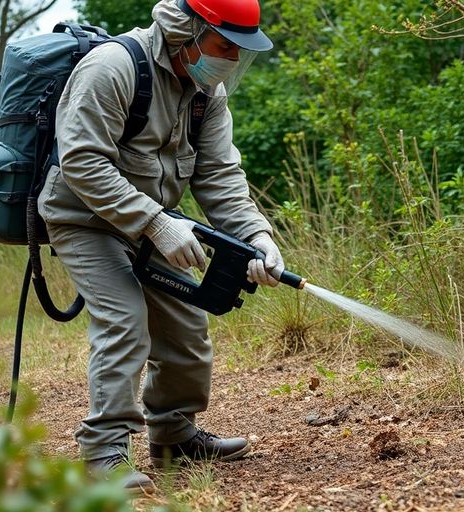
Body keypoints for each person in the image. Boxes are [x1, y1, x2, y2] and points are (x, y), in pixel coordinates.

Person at [37, 0, 282, 492]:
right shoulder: (112, 68)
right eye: (224, 45)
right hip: (84, 220)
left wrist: (257, 236)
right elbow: (82, 161)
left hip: (154, 224)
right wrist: (155, 223)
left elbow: (220, 175)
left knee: (186, 325)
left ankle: (173, 435)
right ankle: (103, 454)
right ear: (185, 31)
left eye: (239, 50)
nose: (232, 59)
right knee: (125, 320)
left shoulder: (206, 93)